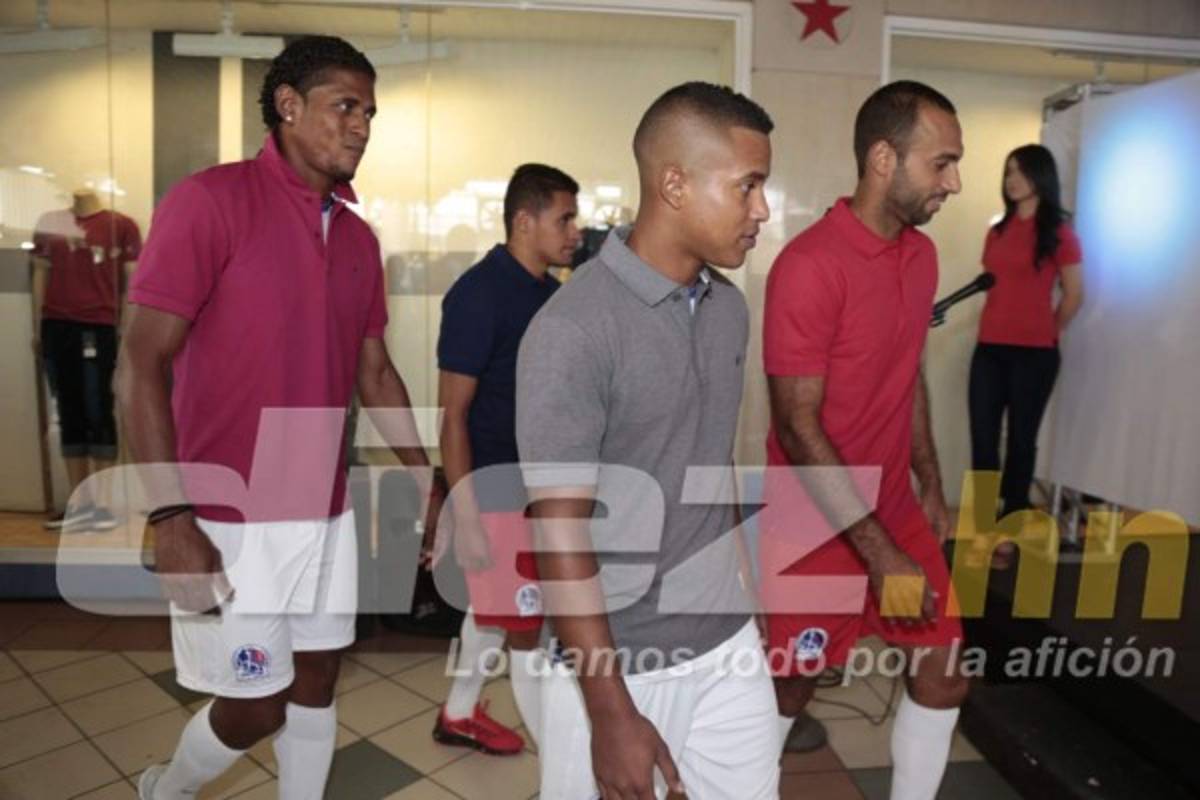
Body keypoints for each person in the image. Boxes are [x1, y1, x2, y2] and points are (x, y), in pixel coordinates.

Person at [118, 36, 443, 800]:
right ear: (289, 107)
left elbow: (377, 372)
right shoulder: (209, 202)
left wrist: (433, 480)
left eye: (369, 111)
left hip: (323, 504)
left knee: (319, 676)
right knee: (257, 700)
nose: (361, 126)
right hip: (228, 508)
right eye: (345, 107)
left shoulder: (359, 239)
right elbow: (140, 365)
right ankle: (165, 789)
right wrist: (170, 515)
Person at [517, 82, 778, 799]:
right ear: (674, 184)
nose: (762, 209)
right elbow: (558, 526)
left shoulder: (728, 309)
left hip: (726, 640)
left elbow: (709, 462)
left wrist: (747, 598)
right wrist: (609, 711)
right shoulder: (573, 328)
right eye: (747, 186)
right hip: (617, 657)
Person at [761, 80, 969, 800]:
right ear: (884, 159)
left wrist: (930, 483)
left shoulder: (924, 259)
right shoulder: (809, 266)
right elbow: (796, 424)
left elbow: (905, 375)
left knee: (944, 671)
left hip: (893, 509)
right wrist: (879, 556)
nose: (955, 182)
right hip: (811, 519)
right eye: (940, 164)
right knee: (790, 692)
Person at [433, 163, 581, 755]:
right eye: (564, 218)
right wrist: (464, 515)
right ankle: (571, 778)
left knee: (493, 609)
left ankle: (459, 712)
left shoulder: (552, 293)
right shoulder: (476, 294)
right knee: (526, 633)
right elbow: (454, 417)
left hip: (541, 490)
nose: (576, 231)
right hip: (495, 494)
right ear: (525, 221)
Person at [969, 144, 1083, 565]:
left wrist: (1048, 331)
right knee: (983, 441)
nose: (1011, 179)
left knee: (1020, 443)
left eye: (1019, 171)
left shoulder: (1060, 235)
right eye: (1007, 171)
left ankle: (1008, 530)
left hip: (1034, 355)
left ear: (1040, 176)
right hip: (989, 350)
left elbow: (1074, 294)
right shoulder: (997, 230)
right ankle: (983, 527)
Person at [32, 188, 141, 531]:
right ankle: (81, 504)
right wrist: (38, 328)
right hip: (57, 327)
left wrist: (126, 331)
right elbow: (40, 275)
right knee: (68, 410)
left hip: (100, 327)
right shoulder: (51, 223)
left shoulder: (121, 226)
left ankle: (105, 506)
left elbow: (131, 283)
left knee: (98, 410)